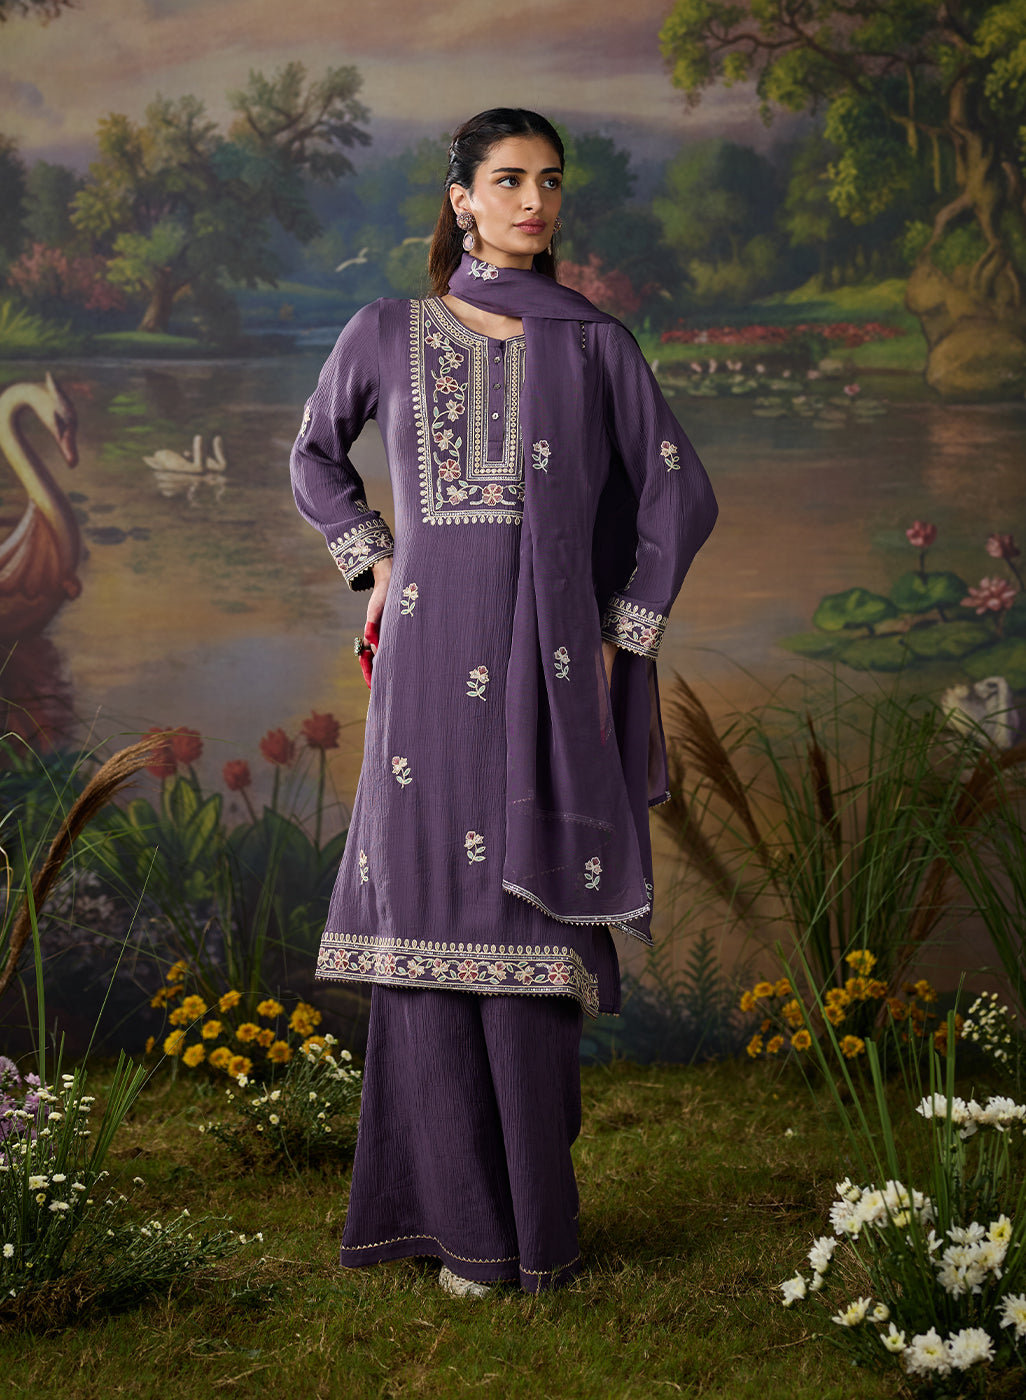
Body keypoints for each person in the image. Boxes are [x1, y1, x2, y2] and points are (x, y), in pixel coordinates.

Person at [290, 107, 717, 1298]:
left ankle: (532, 1221)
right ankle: (455, 1225)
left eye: (551, 181)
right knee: (428, 921)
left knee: (526, 925)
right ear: (462, 199)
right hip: (427, 671)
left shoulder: (594, 346)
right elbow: (314, 455)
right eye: (510, 179)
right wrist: (374, 559)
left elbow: (677, 497)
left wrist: (625, 635)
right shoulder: (385, 331)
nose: (535, 201)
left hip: (549, 669)